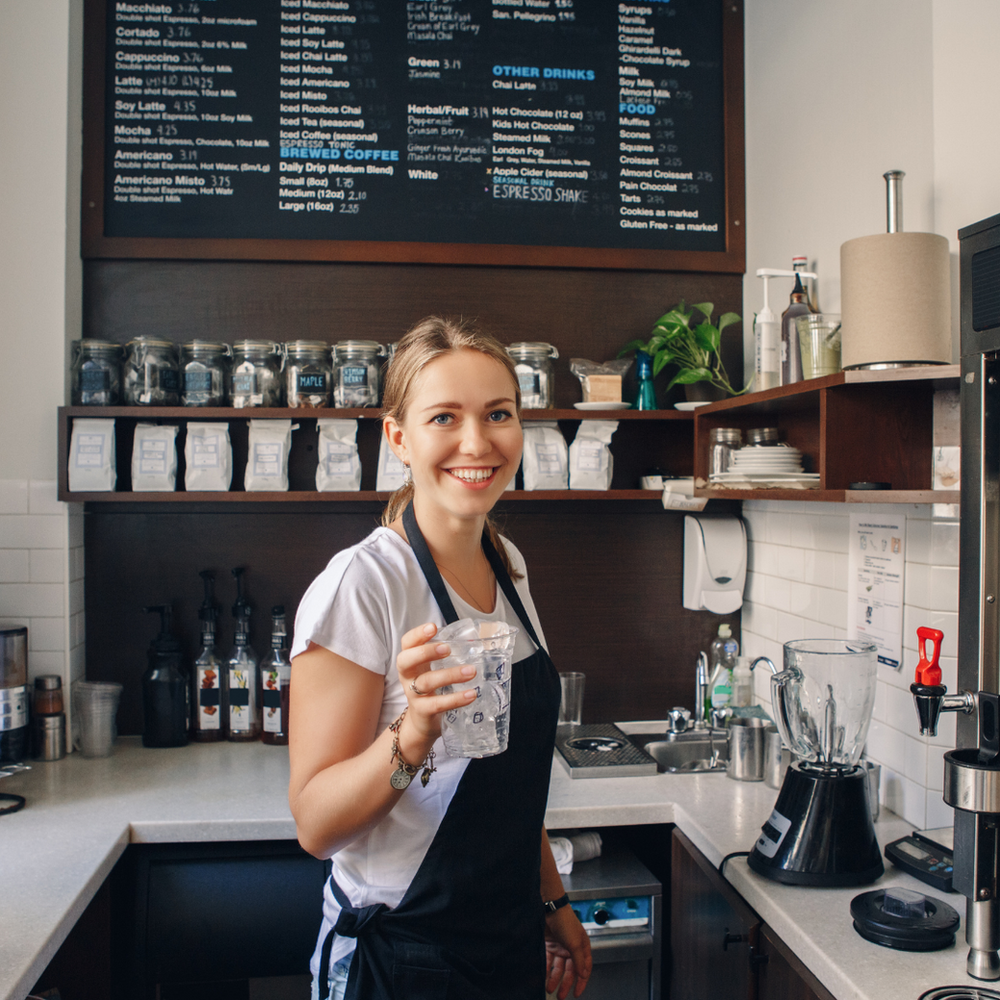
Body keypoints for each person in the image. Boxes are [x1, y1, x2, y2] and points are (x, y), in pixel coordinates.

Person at [289, 317, 592, 1000]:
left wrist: (553, 904)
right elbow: (315, 823)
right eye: (444, 418)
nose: (477, 443)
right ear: (398, 436)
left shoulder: (507, 565)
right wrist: (414, 732)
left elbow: (504, 784)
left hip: (506, 940)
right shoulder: (363, 584)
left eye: (499, 414)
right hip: (400, 955)